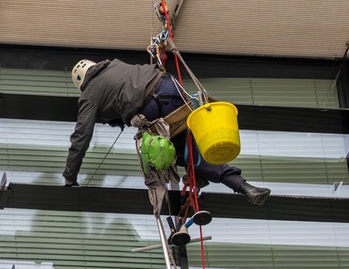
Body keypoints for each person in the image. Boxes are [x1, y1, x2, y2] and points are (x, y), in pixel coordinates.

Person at [64, 58, 270, 205]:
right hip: (173, 90)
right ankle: (243, 186)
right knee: (195, 148)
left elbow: (81, 137)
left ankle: (197, 175)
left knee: (164, 153)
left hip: (154, 107)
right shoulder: (115, 65)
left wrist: (69, 177)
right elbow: (124, 94)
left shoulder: (89, 93)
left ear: (81, 84)